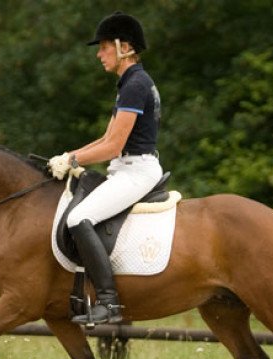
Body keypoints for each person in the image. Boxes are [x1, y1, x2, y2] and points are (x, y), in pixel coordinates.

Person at [48, 11, 163, 325]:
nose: (99, 54)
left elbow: (113, 147)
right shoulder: (129, 83)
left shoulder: (136, 84)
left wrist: (72, 161)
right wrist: (70, 155)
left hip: (136, 170)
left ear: (123, 47)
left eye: (103, 47)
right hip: (125, 168)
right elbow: (107, 138)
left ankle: (109, 303)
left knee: (78, 217)